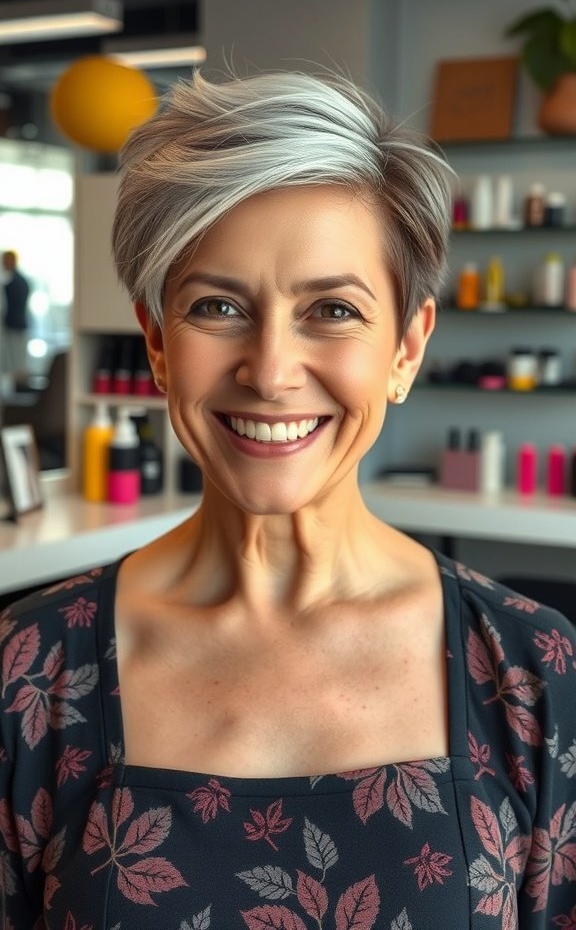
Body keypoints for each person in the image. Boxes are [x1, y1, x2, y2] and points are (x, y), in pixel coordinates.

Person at [0, 71, 574, 929]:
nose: (270, 373)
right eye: (217, 306)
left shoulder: (533, 674)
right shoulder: (28, 672)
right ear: (156, 342)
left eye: (332, 310)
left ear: (406, 348)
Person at [1, 249, 30, 385]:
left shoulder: (16, 282)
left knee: (16, 360)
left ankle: (19, 385)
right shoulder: (18, 280)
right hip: (16, 325)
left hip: (15, 325)